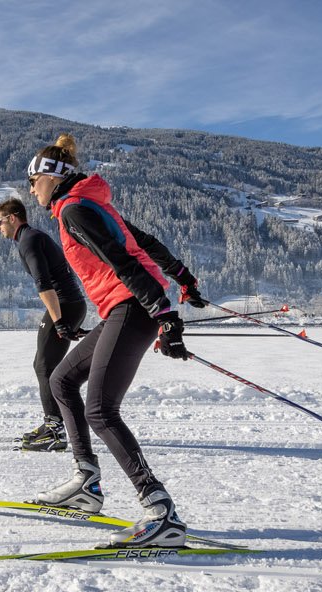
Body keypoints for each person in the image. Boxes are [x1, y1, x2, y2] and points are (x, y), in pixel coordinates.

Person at [24, 133, 211, 548]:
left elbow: (123, 260)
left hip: (133, 306)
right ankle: (86, 482)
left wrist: (164, 314)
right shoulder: (87, 205)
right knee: (61, 380)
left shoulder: (74, 210)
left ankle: (160, 512)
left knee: (102, 411)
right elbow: (142, 242)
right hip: (125, 308)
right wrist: (183, 278)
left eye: (32, 180)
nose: (30, 189)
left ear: (52, 178)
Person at [0, 197, 89, 452]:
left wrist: (59, 322)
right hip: (70, 305)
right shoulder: (32, 237)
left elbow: (43, 284)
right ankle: (55, 426)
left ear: (13, 218)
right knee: (46, 366)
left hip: (65, 305)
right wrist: (67, 321)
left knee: (44, 367)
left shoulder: (29, 240)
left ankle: (55, 432)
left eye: (0, 222)